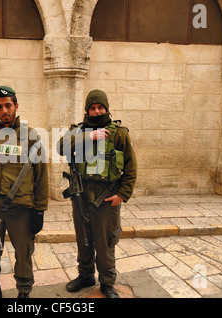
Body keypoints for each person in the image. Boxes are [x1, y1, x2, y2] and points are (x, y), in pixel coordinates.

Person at [57, 89, 137, 298]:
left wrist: (122, 194)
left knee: (105, 242)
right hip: (80, 196)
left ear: (106, 108)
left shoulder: (119, 134)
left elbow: (131, 168)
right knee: (83, 240)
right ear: (87, 110)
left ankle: (107, 283)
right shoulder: (77, 131)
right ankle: (85, 276)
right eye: (92, 108)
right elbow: (60, 146)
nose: (96, 111)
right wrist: (88, 136)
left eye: (100, 107)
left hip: (106, 198)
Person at [0, 86, 48, 298]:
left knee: (23, 253)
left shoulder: (30, 137)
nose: (4, 110)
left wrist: (40, 210)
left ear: (16, 106)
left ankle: (24, 292)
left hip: (21, 208)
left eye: (8, 105)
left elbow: (41, 176)